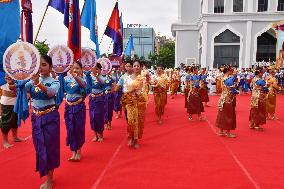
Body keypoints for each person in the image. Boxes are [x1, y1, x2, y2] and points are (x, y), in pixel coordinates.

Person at [25, 55, 60, 189]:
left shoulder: (54, 82)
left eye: (44, 64)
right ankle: (46, 174)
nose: (41, 67)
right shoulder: (31, 81)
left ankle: (49, 179)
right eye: (39, 65)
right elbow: (23, 89)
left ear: (50, 67)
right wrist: (13, 83)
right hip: (36, 118)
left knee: (49, 147)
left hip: (50, 117)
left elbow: (51, 93)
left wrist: (37, 83)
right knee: (39, 146)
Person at [121, 61, 147, 149]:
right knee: (131, 121)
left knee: (139, 121)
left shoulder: (142, 78)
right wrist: (129, 94)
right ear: (132, 67)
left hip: (139, 101)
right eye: (134, 66)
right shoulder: (127, 78)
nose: (136, 67)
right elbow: (124, 89)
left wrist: (137, 94)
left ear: (140, 67)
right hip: (130, 102)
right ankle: (131, 137)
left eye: (138, 66)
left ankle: (136, 140)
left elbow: (142, 89)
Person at [64, 61, 86, 161]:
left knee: (78, 129)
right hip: (68, 107)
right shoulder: (66, 79)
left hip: (79, 107)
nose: (75, 70)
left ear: (81, 70)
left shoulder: (84, 79)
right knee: (70, 129)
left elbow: (83, 85)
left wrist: (75, 76)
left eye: (77, 68)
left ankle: (79, 151)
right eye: (73, 68)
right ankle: (73, 152)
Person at [0, 75, 25, 148]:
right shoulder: (3, 77)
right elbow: (11, 87)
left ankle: (15, 137)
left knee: (15, 120)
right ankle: (5, 141)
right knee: (6, 121)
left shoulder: (17, 73)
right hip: (7, 103)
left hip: (17, 101)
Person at [215, 67, 238, 138]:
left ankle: (221, 131)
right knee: (228, 115)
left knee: (222, 115)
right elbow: (232, 88)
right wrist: (235, 74)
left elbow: (233, 79)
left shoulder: (223, 78)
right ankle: (228, 132)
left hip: (223, 98)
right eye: (230, 70)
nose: (231, 71)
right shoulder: (227, 79)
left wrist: (235, 75)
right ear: (228, 71)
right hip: (227, 99)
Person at [89, 63, 105, 142]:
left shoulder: (102, 77)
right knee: (92, 116)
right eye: (94, 69)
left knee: (99, 116)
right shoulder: (90, 77)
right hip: (92, 99)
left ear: (100, 70)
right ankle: (95, 134)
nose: (95, 70)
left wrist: (96, 76)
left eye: (97, 69)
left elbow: (102, 83)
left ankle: (100, 134)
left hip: (99, 99)